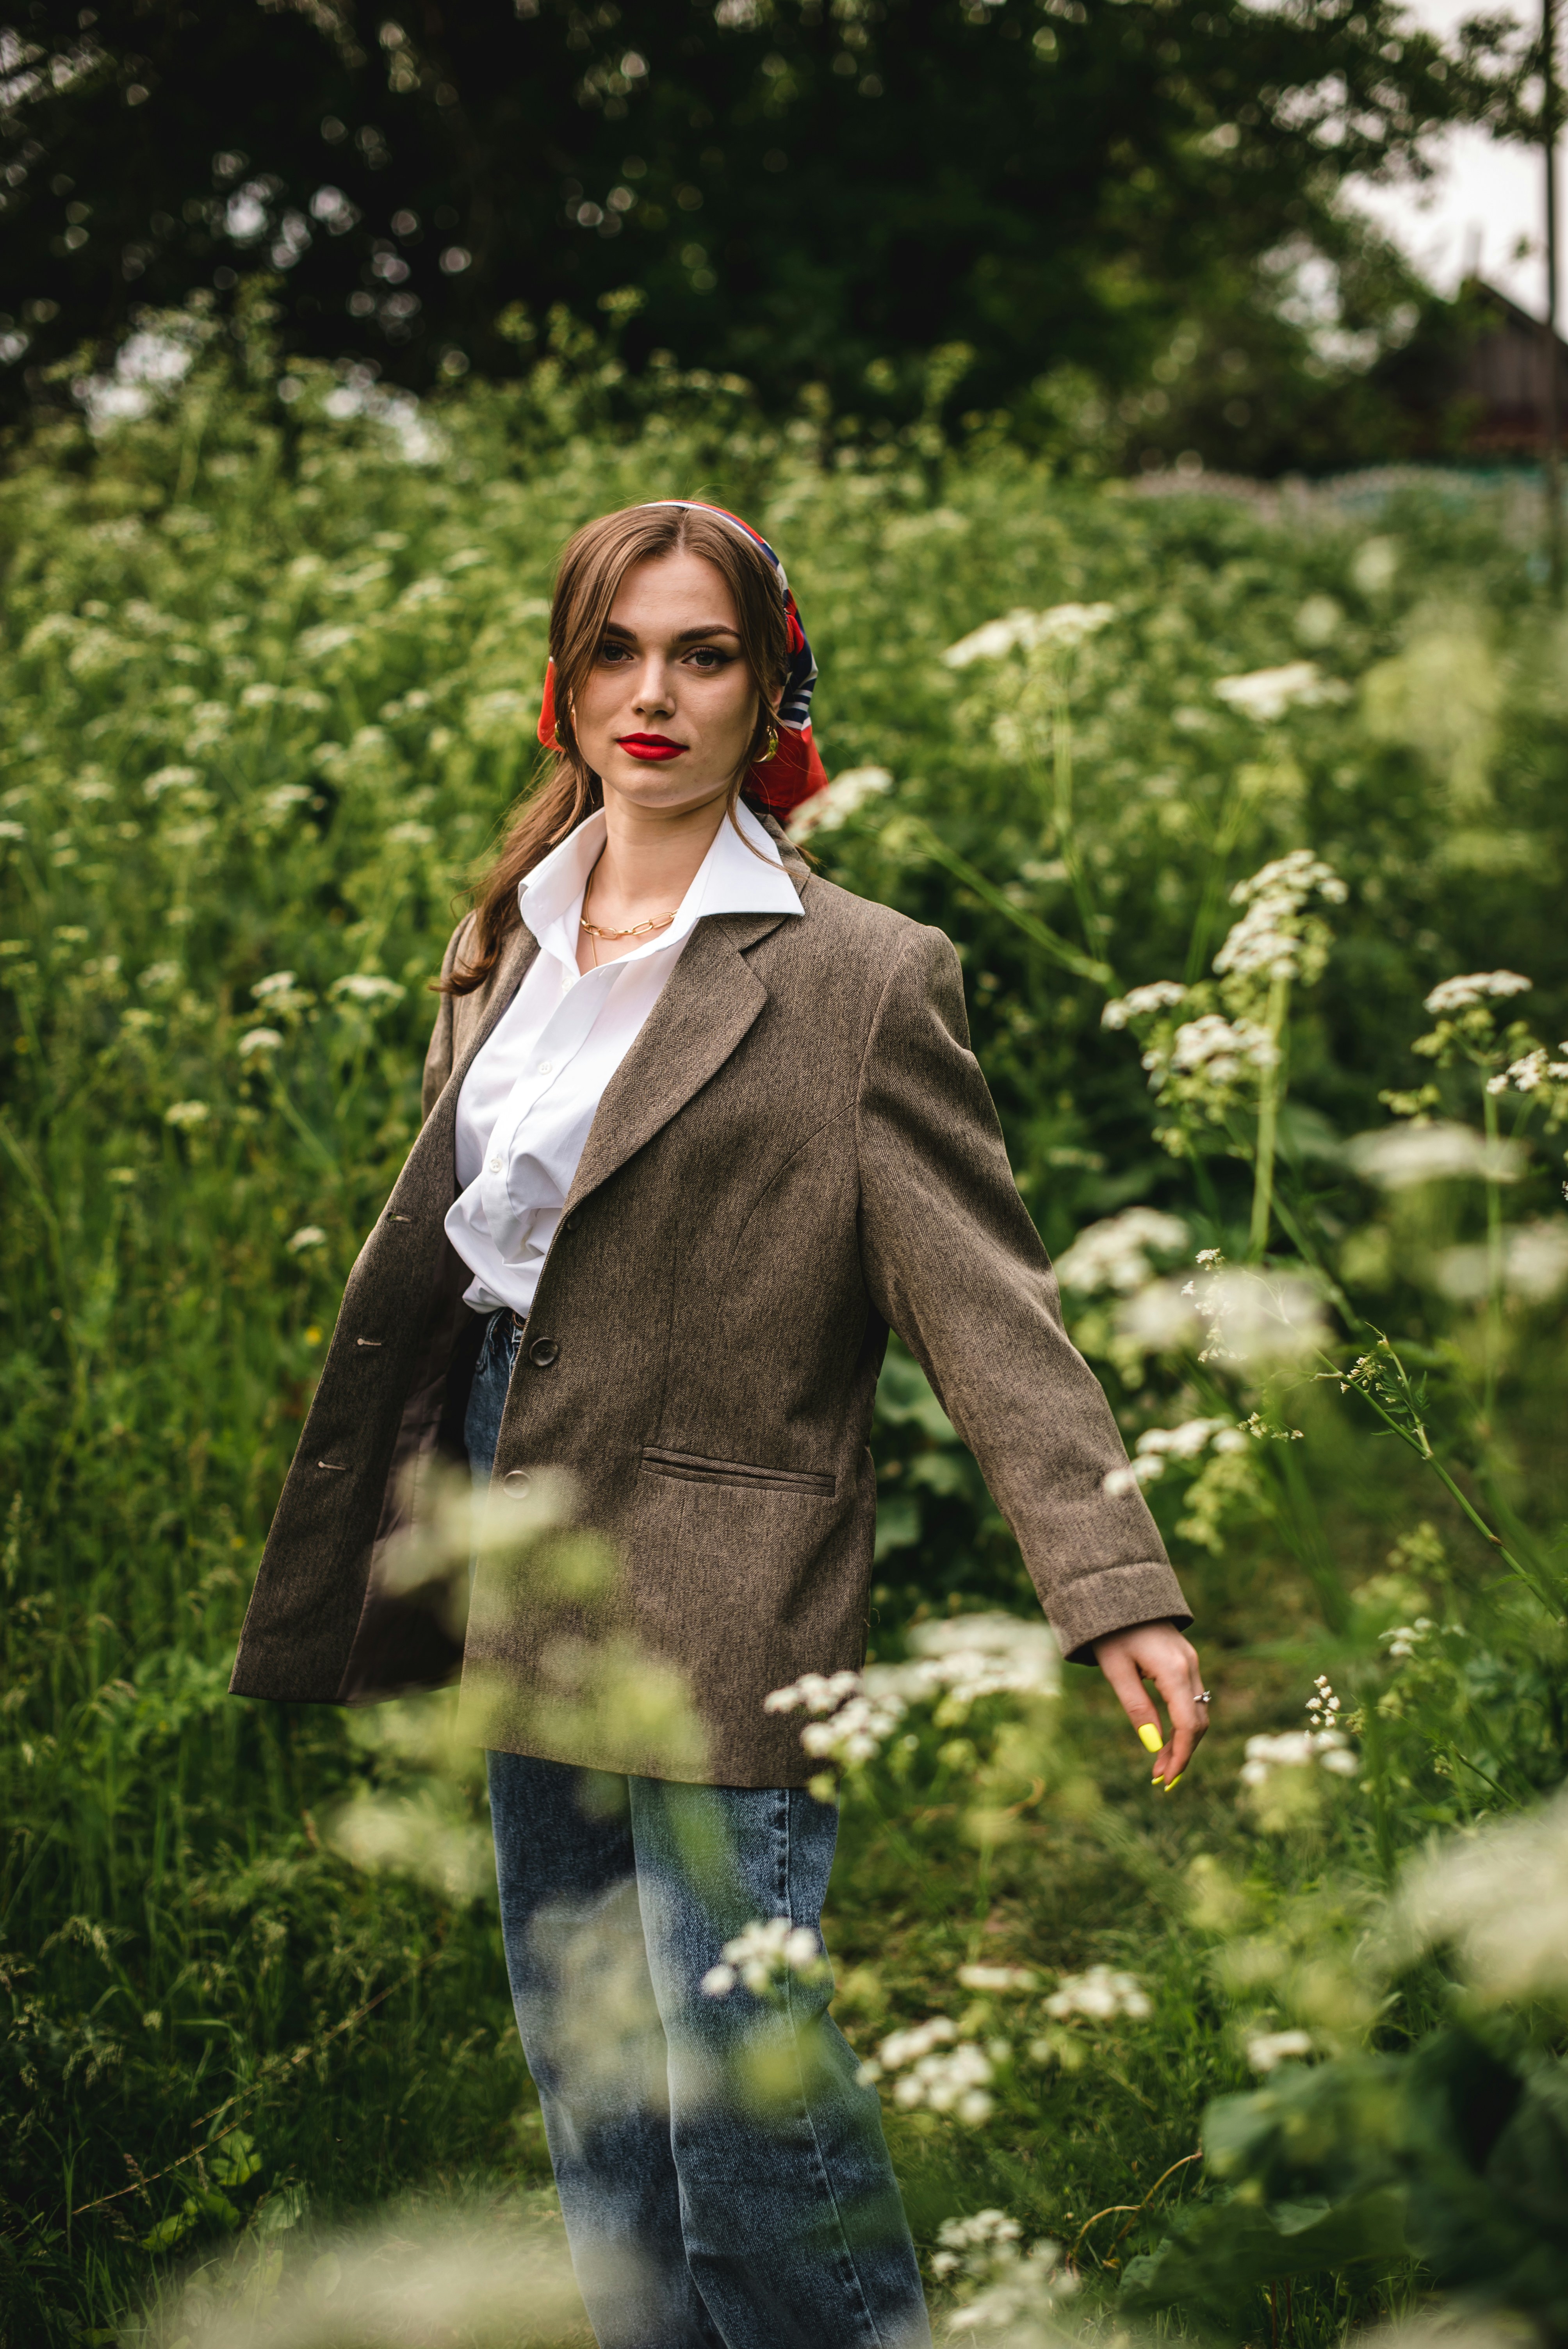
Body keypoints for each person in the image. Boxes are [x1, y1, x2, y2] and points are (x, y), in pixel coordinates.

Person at [230, 499, 1207, 2349]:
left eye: (702, 655)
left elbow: (984, 1304)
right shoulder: (499, 937)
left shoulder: (857, 973)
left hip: (725, 1542)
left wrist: (1112, 1580)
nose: (652, 695)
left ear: (770, 689)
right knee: (590, 2058)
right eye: (614, 650)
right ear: (560, 684)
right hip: (516, 1508)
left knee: (739, 2077)